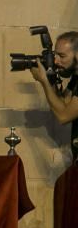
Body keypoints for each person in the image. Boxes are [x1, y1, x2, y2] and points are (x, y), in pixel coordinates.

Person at [29, 31, 78, 161]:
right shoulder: (76, 78)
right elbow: (62, 104)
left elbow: (63, 116)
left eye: (62, 56)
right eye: (55, 55)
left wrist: (44, 81)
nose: (56, 61)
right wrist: (51, 78)